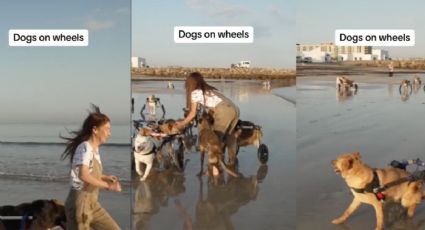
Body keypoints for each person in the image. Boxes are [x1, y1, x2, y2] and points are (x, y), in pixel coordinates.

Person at [61, 105, 122, 230]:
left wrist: (105, 177)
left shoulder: (95, 149)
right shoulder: (85, 147)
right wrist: (108, 186)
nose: (109, 134)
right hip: (81, 205)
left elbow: (89, 173)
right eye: (107, 129)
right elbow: (83, 175)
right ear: (95, 129)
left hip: (92, 204)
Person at [176, 72, 240, 162]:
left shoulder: (195, 93)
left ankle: (215, 167)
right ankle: (231, 161)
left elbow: (193, 113)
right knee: (228, 137)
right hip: (235, 109)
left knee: (214, 139)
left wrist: (182, 123)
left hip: (223, 110)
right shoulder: (210, 90)